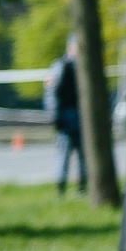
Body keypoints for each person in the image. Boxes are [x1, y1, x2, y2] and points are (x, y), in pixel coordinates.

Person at [45, 38, 85, 196]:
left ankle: (82, 188)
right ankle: (61, 189)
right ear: (70, 48)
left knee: (83, 156)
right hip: (67, 118)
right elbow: (52, 94)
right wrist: (56, 117)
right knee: (64, 154)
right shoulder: (61, 66)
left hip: (80, 119)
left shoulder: (82, 67)